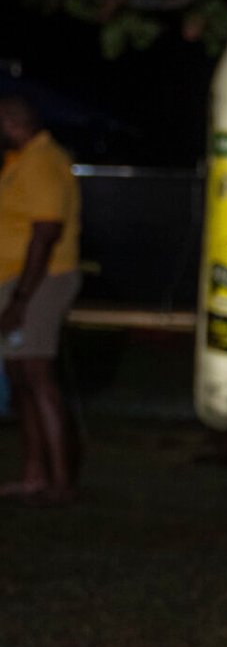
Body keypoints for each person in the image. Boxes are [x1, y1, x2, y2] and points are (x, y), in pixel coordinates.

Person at [0, 94, 82, 501]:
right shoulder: (20, 161)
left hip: (41, 280)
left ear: (12, 122)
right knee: (20, 377)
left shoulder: (43, 161)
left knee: (36, 374)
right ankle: (35, 476)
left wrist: (21, 299)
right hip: (17, 281)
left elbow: (46, 232)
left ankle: (60, 482)